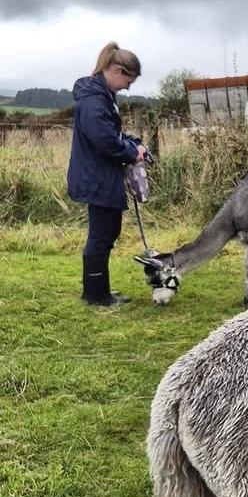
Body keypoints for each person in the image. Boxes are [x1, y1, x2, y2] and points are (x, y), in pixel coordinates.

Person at [66, 41, 147, 307]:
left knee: (109, 232)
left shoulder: (103, 97)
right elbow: (104, 141)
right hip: (96, 177)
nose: (128, 86)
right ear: (117, 70)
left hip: (103, 175)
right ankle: (95, 295)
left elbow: (112, 136)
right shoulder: (94, 100)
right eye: (129, 80)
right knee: (101, 236)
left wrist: (132, 143)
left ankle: (101, 292)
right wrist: (130, 153)